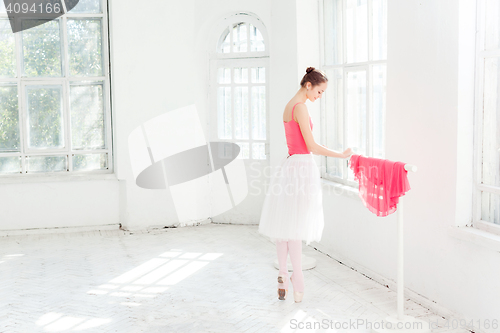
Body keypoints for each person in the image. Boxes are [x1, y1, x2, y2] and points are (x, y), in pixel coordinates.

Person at [258, 67, 353, 303]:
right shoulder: (300, 107)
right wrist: (340, 155)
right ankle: (297, 278)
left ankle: (282, 273)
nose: (319, 97)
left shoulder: (289, 105)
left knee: (285, 225)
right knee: (296, 227)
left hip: (290, 166)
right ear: (308, 85)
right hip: (300, 168)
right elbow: (311, 146)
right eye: (319, 92)